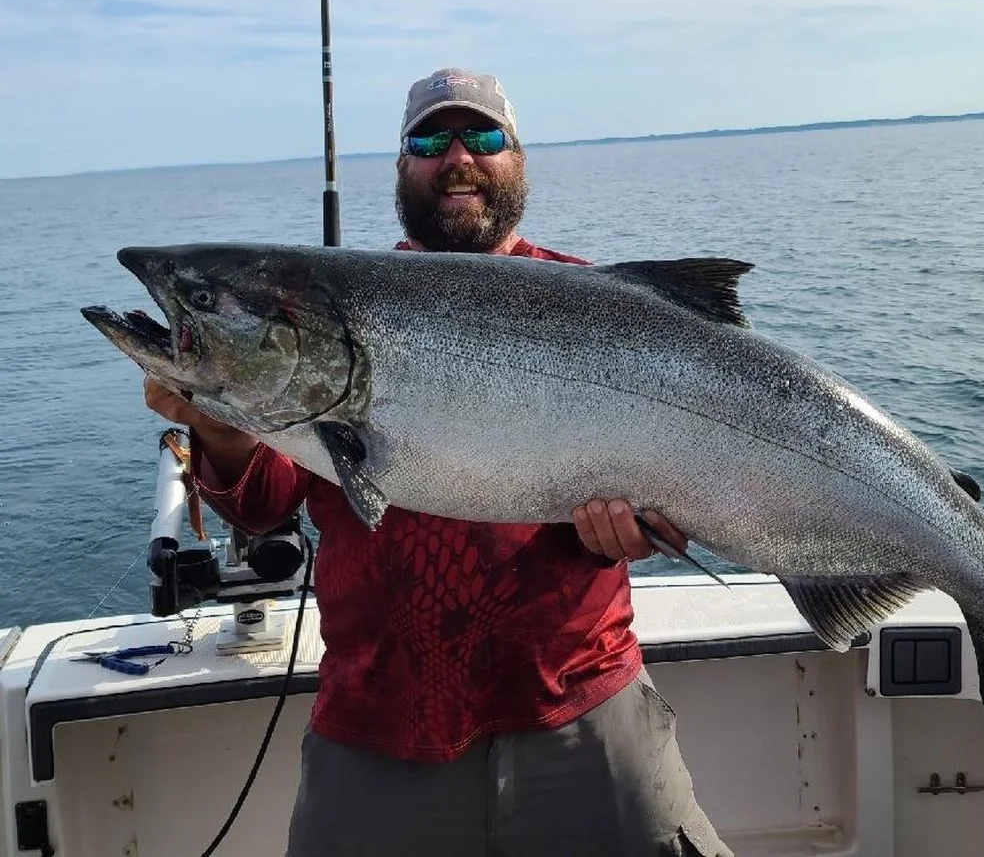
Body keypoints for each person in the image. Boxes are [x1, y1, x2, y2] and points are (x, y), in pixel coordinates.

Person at [143, 68, 732, 857]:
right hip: (379, 726)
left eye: (483, 137)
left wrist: (652, 525)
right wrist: (220, 421)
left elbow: (688, 482)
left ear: (517, 157)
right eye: (429, 140)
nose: (458, 157)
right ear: (401, 168)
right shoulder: (328, 319)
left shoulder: (601, 306)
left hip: (580, 708)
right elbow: (263, 503)